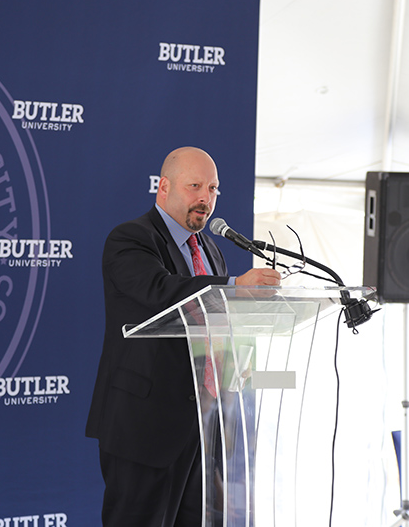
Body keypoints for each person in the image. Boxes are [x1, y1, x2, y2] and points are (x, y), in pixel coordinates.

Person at [85, 146, 281, 526]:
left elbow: (218, 322)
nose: (205, 199)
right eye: (195, 186)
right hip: (145, 429)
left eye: (213, 189)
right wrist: (235, 287)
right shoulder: (130, 238)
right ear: (164, 187)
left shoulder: (211, 250)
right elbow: (161, 291)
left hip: (206, 431)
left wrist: (244, 346)